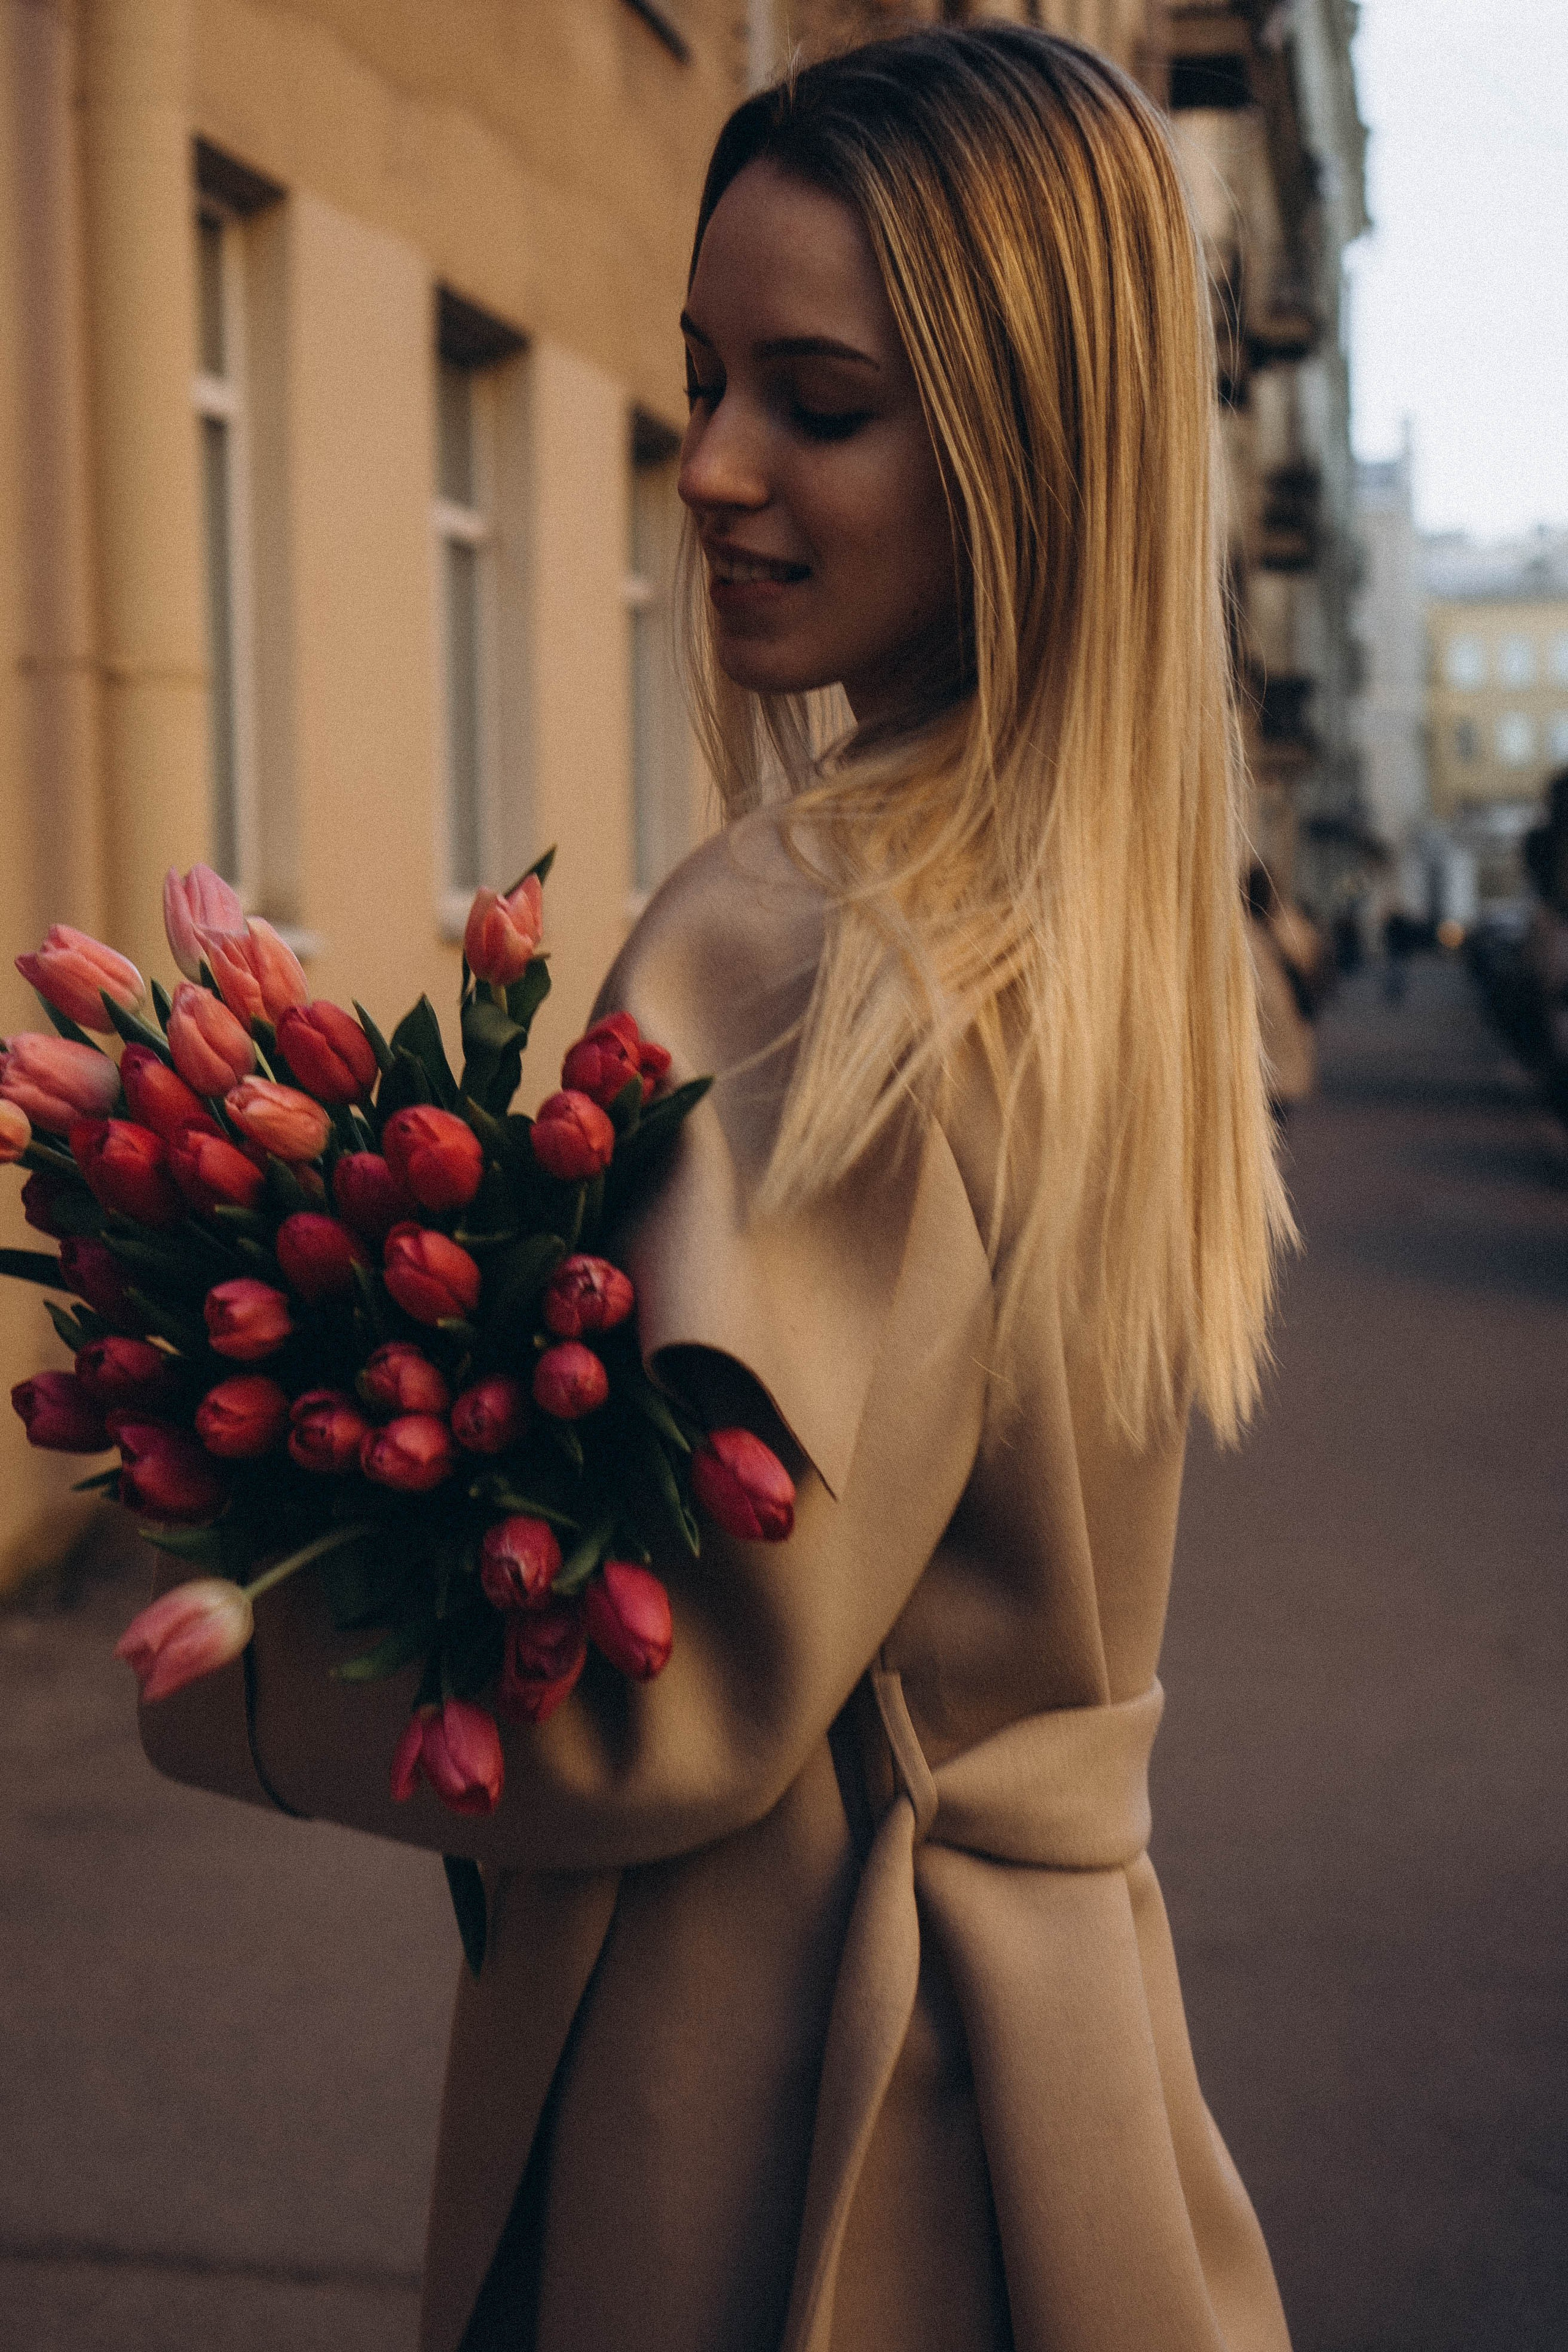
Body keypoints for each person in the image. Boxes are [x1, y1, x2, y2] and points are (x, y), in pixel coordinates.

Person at [138, 29, 1295, 2351]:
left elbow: (665, 1684)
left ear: (1022, 450)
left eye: (821, 401)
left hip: (778, 2095)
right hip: (1050, 2050)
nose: (713, 467)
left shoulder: (819, 933)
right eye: (703, 378)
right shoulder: (1109, 917)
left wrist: (240, 1664)